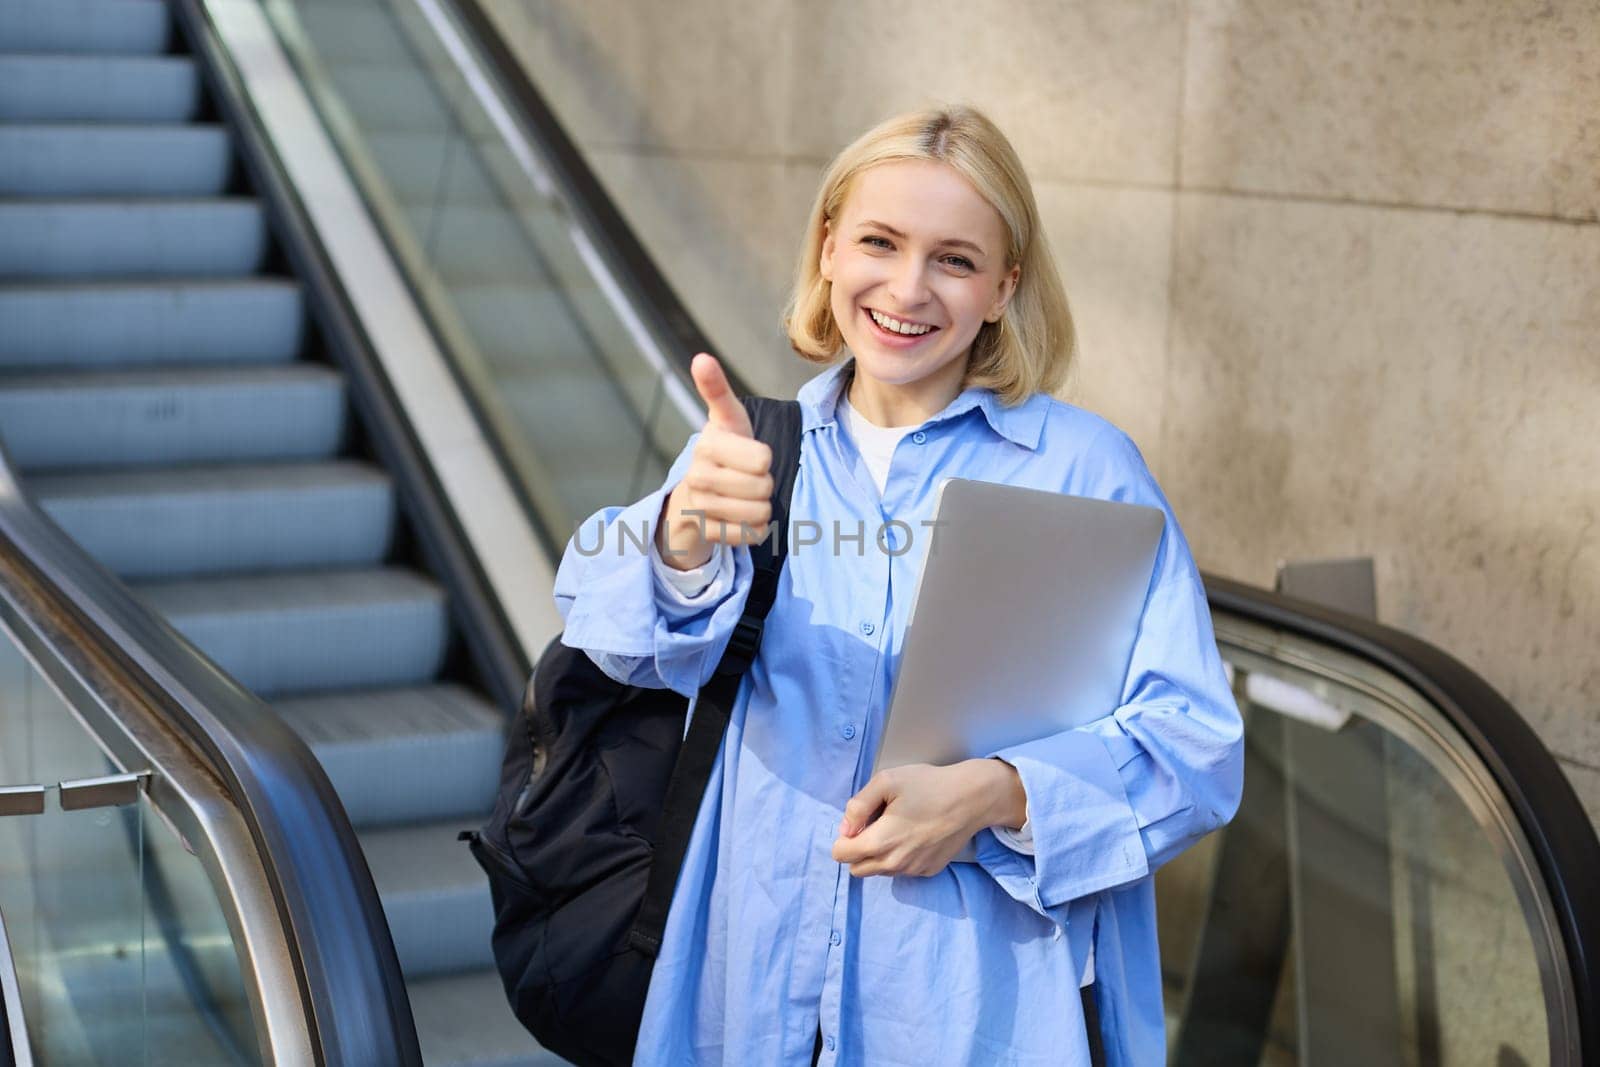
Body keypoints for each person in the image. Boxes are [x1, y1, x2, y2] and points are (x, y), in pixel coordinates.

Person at [553, 105, 1244, 1066]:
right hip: (744, 988)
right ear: (829, 247)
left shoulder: (1087, 469)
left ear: (1005, 287)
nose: (908, 288)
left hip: (976, 1007)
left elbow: (1195, 744)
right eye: (879, 241)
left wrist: (996, 795)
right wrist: (676, 537)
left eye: (956, 260)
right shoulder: (748, 455)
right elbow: (623, 646)